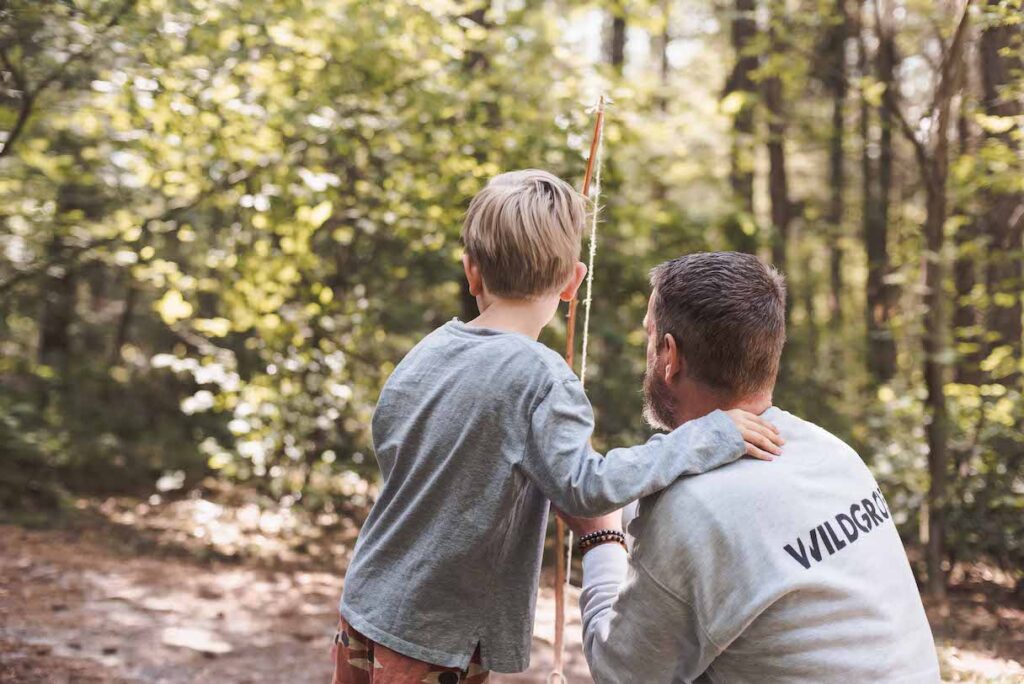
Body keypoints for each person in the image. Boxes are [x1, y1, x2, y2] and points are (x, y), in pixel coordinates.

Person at [332, 172, 784, 683]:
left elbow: (391, 438)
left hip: (366, 602)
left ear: (471, 273)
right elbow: (588, 488)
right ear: (573, 282)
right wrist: (705, 436)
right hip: (431, 634)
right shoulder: (541, 377)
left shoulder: (429, 350)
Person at [564, 252, 939, 683]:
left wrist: (600, 536)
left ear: (670, 355)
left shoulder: (691, 508)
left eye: (650, 335)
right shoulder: (832, 453)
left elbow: (621, 673)